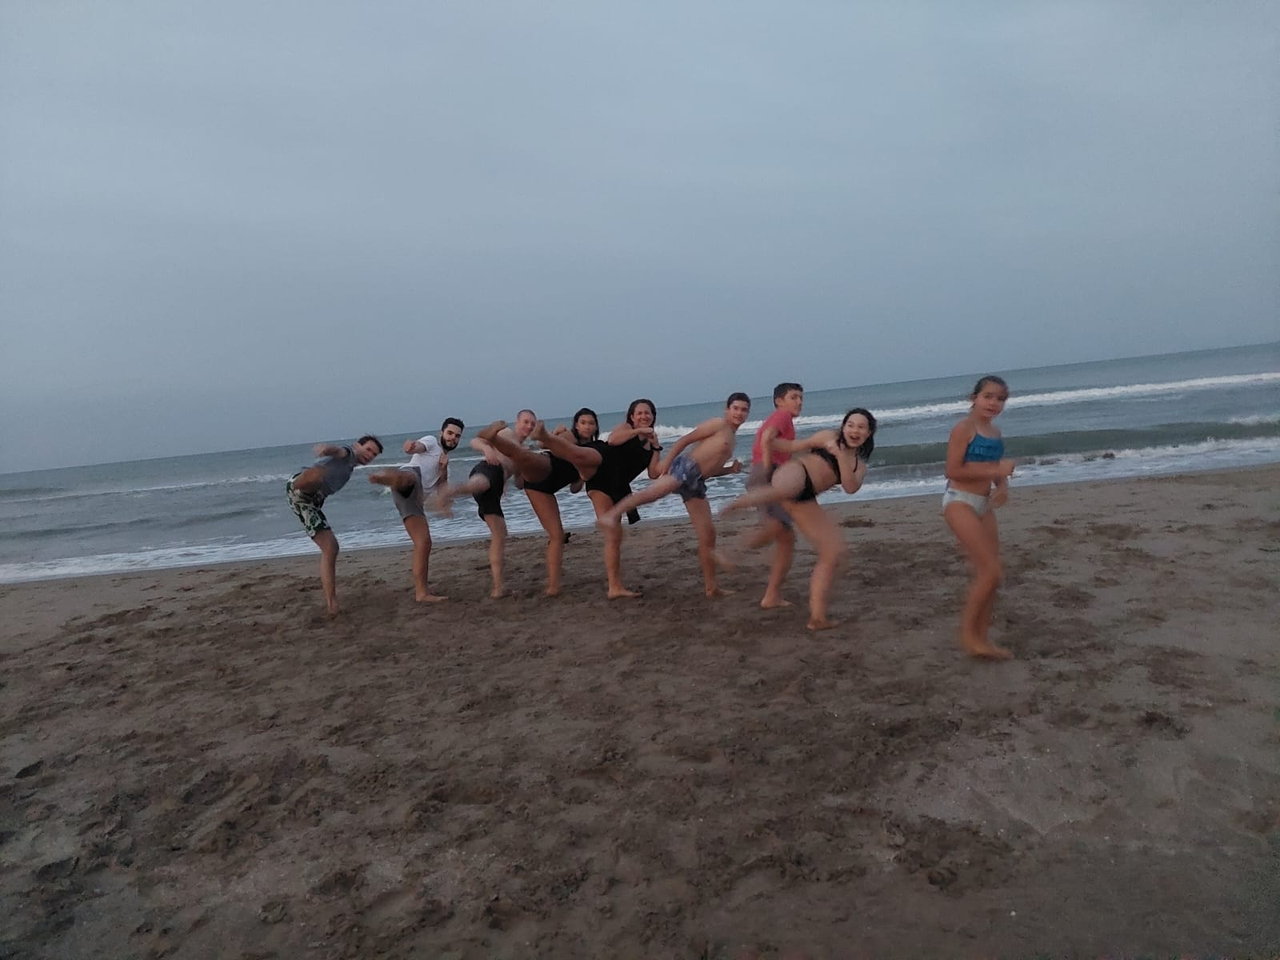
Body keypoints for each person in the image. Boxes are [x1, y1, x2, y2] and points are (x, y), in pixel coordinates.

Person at [723, 409, 875, 630]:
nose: (854, 430)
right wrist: (771, 442)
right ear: (843, 427)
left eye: (861, 427)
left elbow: (850, 487)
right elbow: (796, 446)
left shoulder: (858, 466)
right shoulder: (827, 437)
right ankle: (741, 503)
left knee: (833, 552)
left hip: (806, 498)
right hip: (796, 471)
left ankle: (817, 618)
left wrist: (841, 456)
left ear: (868, 433)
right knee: (787, 488)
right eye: (850, 425)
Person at [599, 393, 751, 597]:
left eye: (744, 410)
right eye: (736, 408)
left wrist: (729, 470)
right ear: (727, 409)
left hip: (697, 481)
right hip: (686, 467)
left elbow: (710, 470)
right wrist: (669, 463)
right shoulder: (718, 424)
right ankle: (610, 516)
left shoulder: (732, 440)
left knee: (708, 534)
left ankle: (711, 587)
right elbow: (685, 440)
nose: (739, 413)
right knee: (653, 493)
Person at [473, 409, 604, 597]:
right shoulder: (569, 436)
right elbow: (547, 444)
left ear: (596, 427)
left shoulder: (593, 451)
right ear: (576, 425)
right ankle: (493, 438)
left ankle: (553, 586)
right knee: (523, 456)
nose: (587, 426)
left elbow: (574, 489)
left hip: (546, 489)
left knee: (557, 536)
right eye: (583, 422)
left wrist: (583, 475)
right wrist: (549, 436)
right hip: (545, 468)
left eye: (591, 423)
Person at [943, 376, 1017, 660]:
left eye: (1000, 399)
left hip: (984, 505)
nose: (994, 403)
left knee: (991, 575)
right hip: (959, 501)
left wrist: (1002, 486)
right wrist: (997, 471)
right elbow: (953, 470)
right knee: (991, 572)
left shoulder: (995, 433)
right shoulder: (964, 428)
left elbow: (995, 467)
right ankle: (968, 637)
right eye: (988, 396)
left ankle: (983, 638)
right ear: (974, 398)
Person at [432, 409, 538, 598]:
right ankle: (448, 491)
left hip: (494, 489)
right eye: (526, 421)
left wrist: (527, 467)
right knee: (480, 484)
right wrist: (487, 449)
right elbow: (476, 440)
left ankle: (498, 588)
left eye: (532, 423)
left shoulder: (524, 451)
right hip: (489, 469)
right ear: (517, 422)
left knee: (500, 534)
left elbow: (519, 483)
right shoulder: (506, 433)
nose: (529, 426)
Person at [285, 435, 383, 615]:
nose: (370, 455)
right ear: (357, 445)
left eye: (374, 454)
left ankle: (332, 602)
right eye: (368, 450)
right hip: (301, 494)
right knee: (330, 548)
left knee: (331, 548)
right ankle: (332, 604)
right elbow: (338, 451)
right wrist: (326, 450)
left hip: (314, 499)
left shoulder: (350, 465)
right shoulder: (348, 453)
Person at [368, 418, 464, 603]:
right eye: (450, 433)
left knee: (424, 542)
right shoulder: (432, 442)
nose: (453, 438)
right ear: (441, 433)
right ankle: (385, 478)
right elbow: (417, 447)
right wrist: (411, 447)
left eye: (457, 436)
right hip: (411, 476)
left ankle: (421, 593)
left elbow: (442, 489)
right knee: (410, 477)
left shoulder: (445, 463)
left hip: (412, 501)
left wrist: (444, 468)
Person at [742, 382, 816, 609]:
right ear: (779, 401)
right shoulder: (782, 416)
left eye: (801, 397)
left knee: (785, 537)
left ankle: (771, 595)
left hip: (768, 473)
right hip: (766, 474)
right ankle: (733, 553)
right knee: (780, 533)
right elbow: (767, 438)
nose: (799, 402)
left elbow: (778, 447)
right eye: (794, 397)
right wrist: (768, 470)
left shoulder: (784, 420)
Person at [585, 398, 664, 598]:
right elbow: (613, 440)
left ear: (653, 416)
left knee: (616, 536)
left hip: (619, 488)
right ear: (632, 417)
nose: (644, 416)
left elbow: (653, 473)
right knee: (613, 534)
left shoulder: (651, 441)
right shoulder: (626, 428)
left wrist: (656, 448)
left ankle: (615, 585)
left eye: (648, 413)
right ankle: (614, 587)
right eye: (640, 413)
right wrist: (638, 431)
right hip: (601, 480)